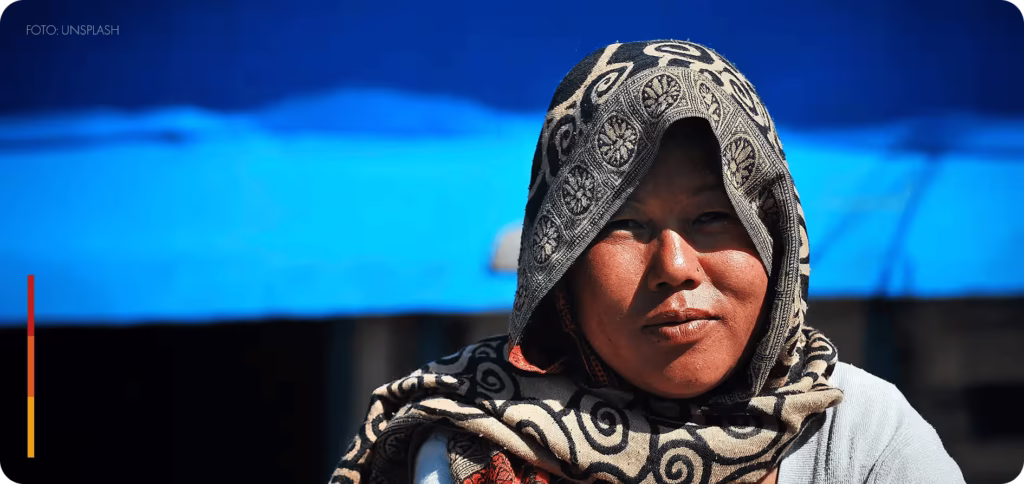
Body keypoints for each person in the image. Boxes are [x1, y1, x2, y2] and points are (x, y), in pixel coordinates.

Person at [329, 40, 965, 484]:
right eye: (624, 224)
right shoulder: (475, 438)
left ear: (774, 235)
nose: (676, 266)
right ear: (561, 264)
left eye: (713, 217)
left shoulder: (858, 433)